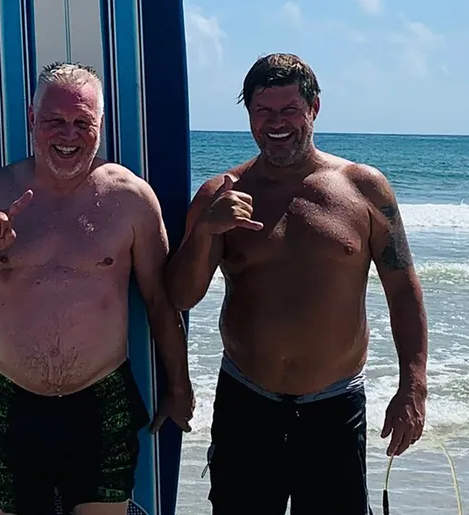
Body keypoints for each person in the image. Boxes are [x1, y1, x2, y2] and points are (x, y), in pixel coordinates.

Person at [0, 61, 194, 515]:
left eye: (83, 122)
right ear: (31, 119)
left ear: (100, 124)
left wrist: (179, 386)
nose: (69, 134)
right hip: (12, 398)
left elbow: (160, 301)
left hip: (102, 398)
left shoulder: (131, 199)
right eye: (55, 121)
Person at [164, 53, 428, 514]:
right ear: (248, 114)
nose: (276, 123)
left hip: (335, 403)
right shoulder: (221, 193)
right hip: (247, 400)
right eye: (262, 111)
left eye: (289, 110)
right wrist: (207, 228)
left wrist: (413, 386)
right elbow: (182, 297)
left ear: (314, 109)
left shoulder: (364, 189)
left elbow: (402, 291)